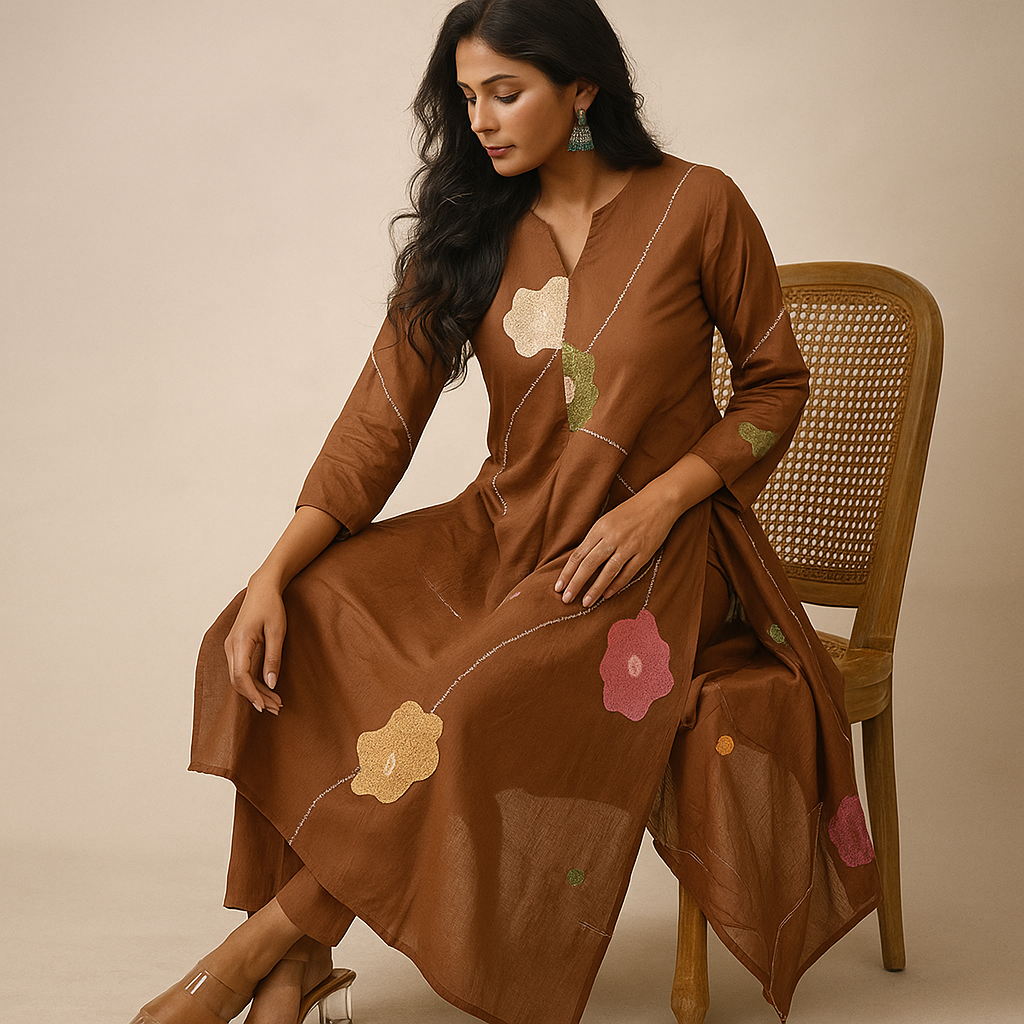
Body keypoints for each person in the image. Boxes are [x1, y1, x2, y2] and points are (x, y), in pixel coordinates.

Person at [131, 1, 882, 1022]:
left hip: (652, 560)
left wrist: (662, 502)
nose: (480, 119)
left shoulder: (697, 204)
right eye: (467, 96)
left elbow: (774, 386)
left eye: (505, 92)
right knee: (300, 616)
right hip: (502, 530)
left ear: (582, 89)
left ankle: (254, 953)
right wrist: (272, 573)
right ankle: (297, 969)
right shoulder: (473, 228)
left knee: (468, 702)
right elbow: (376, 423)